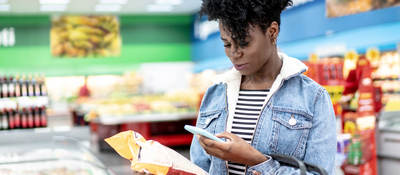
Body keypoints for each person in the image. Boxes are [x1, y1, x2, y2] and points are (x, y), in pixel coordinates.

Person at [190, 0, 337, 174]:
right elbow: (198, 168)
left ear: (272, 32)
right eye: (227, 44)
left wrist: (254, 160)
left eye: (244, 42)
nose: (235, 53)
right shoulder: (215, 94)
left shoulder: (313, 98)